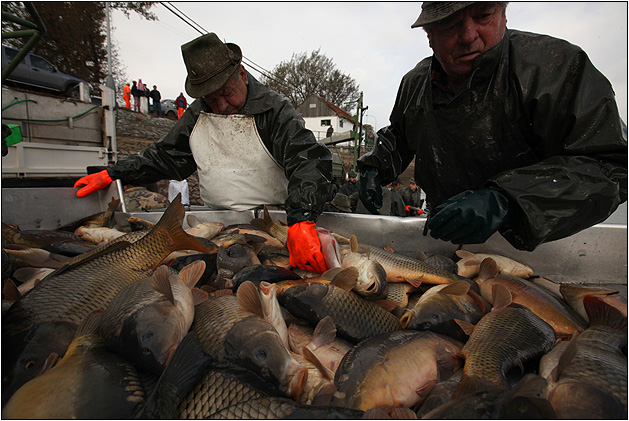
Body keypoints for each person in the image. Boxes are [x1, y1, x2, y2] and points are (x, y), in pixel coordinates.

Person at [357, 1, 627, 251]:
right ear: (430, 35)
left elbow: (611, 165)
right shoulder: (414, 84)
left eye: (483, 15)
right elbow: (400, 134)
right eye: (451, 23)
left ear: (503, 15)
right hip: (445, 238)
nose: (468, 35)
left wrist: (509, 200)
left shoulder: (557, 68)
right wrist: (375, 166)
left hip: (545, 245)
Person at [73, 32, 333, 273]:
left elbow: (308, 158)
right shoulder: (196, 115)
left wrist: (301, 218)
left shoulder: (275, 111)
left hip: (275, 223)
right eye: (210, 99)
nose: (221, 105)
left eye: (227, 93)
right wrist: (114, 172)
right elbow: (165, 157)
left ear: (242, 74)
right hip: (218, 226)